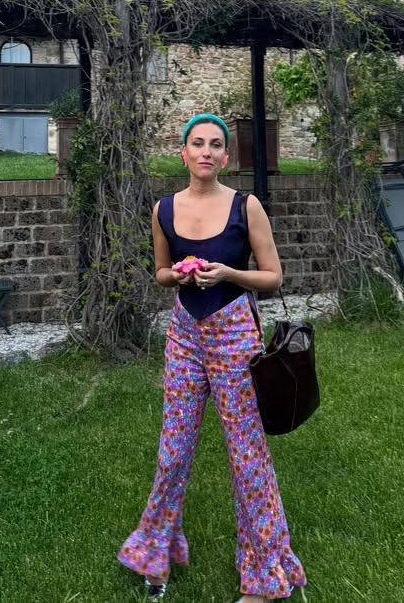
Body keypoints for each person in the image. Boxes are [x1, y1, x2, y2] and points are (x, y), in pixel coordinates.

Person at [118, 114, 307, 601]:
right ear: (183, 153)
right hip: (184, 336)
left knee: (247, 457)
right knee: (173, 452)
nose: (206, 151)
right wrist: (180, 275)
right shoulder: (164, 209)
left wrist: (228, 273)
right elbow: (161, 271)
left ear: (225, 156)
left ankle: (265, 578)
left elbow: (273, 276)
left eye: (216, 144)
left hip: (235, 337)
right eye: (198, 143)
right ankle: (155, 555)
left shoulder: (247, 206)